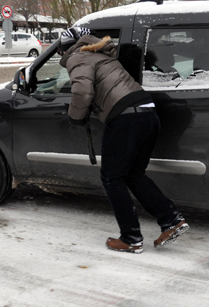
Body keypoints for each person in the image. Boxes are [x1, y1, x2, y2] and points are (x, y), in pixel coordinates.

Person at [58, 26, 189, 254]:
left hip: (127, 118)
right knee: (134, 174)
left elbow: (82, 90)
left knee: (112, 177)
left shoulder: (78, 56)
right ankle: (171, 220)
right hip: (148, 112)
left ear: (67, 47)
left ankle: (131, 237)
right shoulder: (102, 54)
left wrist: (75, 117)